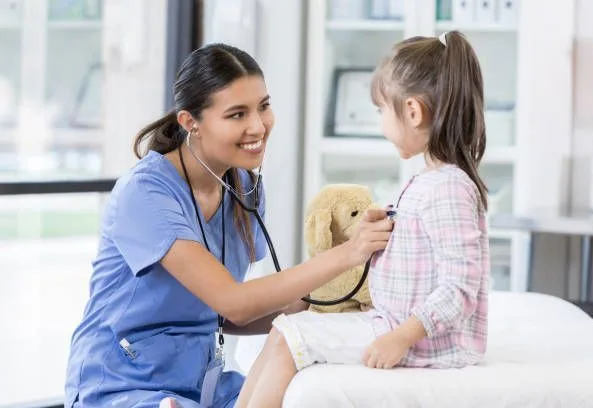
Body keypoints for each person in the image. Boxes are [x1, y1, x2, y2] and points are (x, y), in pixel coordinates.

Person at [63, 43, 394, 408]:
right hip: (124, 385)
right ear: (191, 123)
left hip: (203, 385)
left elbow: (221, 316)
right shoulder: (145, 194)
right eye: (237, 114)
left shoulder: (245, 188)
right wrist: (349, 253)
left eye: (264, 106)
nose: (258, 126)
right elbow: (233, 303)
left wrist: (328, 302)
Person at [235, 31, 491, 408]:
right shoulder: (433, 181)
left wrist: (401, 337)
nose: (380, 122)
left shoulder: (448, 188)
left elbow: (460, 288)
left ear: (413, 112)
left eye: (381, 110)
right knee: (283, 331)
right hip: (401, 325)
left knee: (291, 338)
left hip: (428, 342)